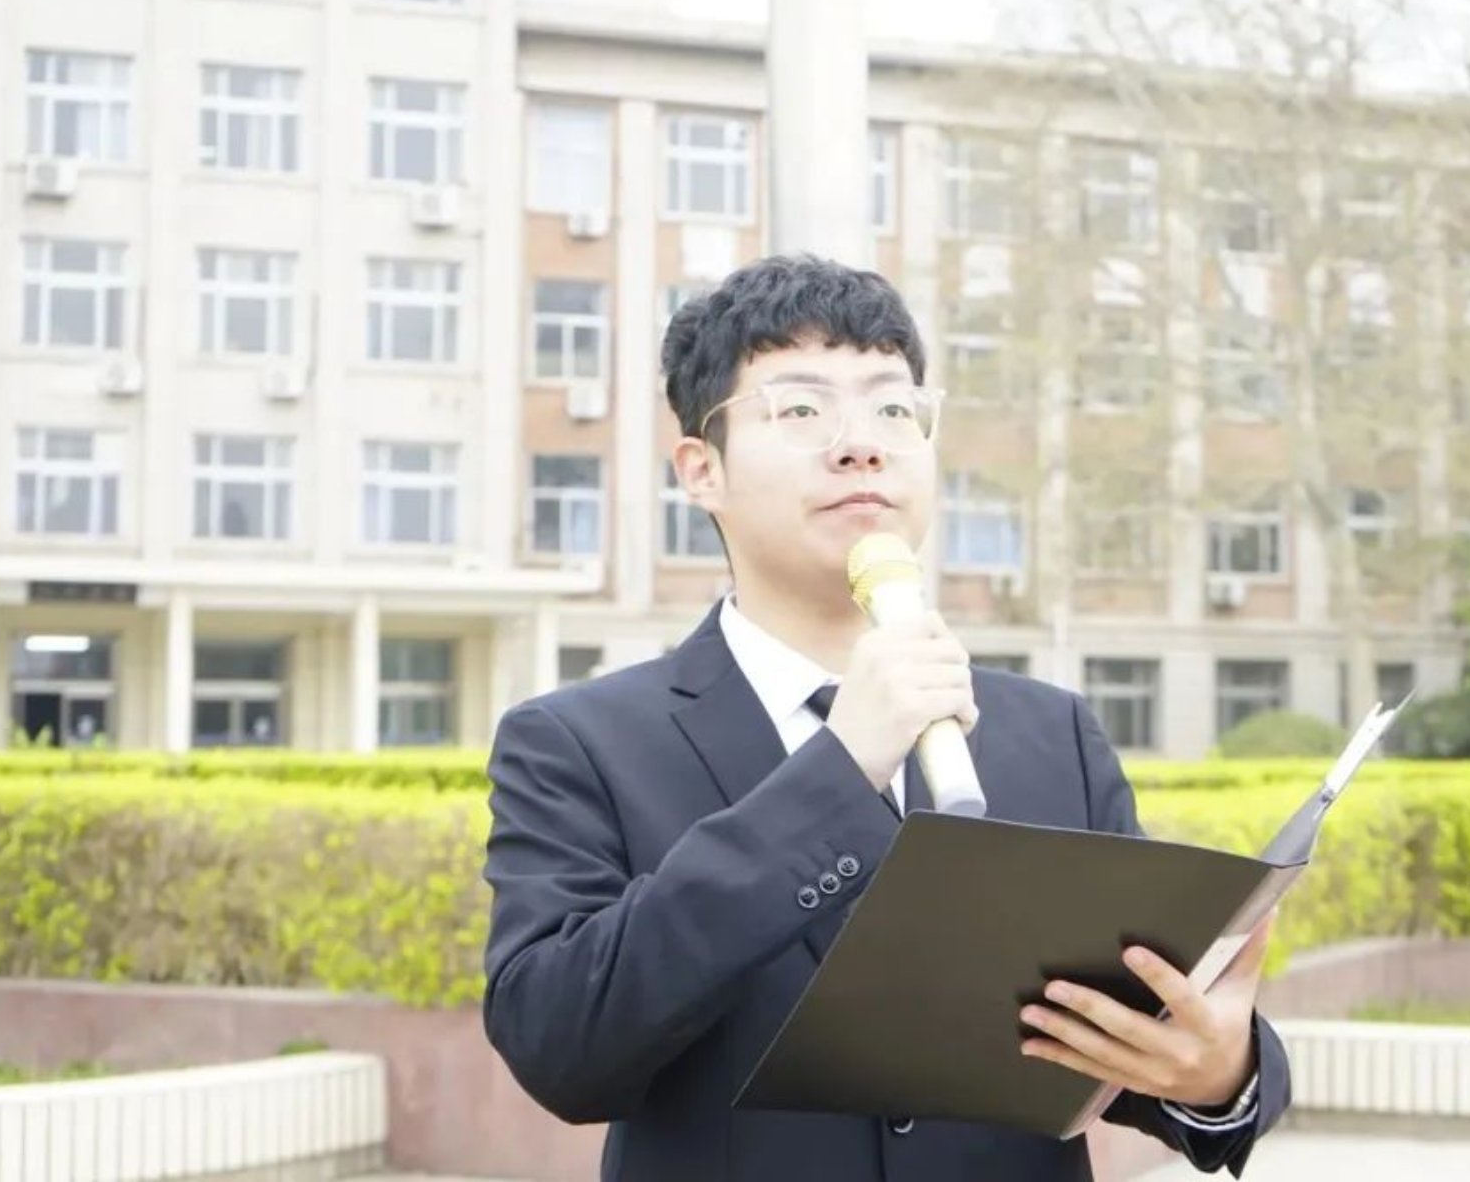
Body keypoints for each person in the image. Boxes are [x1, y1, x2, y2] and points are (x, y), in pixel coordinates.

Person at [480, 255, 1289, 1181]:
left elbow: (1115, 1036)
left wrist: (1218, 1072)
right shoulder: (578, 744)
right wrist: (839, 769)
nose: (860, 444)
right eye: (801, 409)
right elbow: (561, 1044)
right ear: (702, 470)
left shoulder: (1053, 736)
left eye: (893, 409)